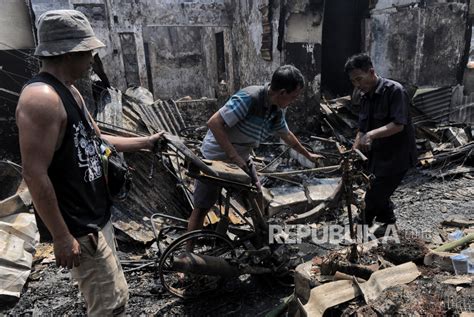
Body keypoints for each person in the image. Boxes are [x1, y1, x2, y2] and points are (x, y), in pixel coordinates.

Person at [16, 10, 163, 316]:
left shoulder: (70, 93)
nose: (92, 59)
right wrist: (61, 236)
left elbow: (98, 142)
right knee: (108, 306)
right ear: (70, 53)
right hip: (79, 226)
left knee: (116, 297)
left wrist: (145, 143)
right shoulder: (41, 99)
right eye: (88, 52)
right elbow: (34, 174)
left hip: (97, 216)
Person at [187, 65, 325, 233]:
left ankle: (259, 236)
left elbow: (286, 134)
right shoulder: (249, 98)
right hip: (214, 159)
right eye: (293, 96)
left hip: (241, 159)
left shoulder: (276, 109)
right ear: (282, 93)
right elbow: (214, 123)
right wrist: (234, 156)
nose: (294, 100)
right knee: (202, 207)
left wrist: (308, 154)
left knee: (257, 194)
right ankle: (188, 252)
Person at [344, 53, 417, 226]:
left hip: (397, 156)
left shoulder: (395, 91)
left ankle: (359, 229)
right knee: (377, 189)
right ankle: (388, 220)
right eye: (353, 81)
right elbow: (362, 130)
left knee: (372, 196)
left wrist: (371, 135)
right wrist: (353, 153)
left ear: (371, 71)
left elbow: (399, 125)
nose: (357, 85)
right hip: (377, 155)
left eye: (359, 79)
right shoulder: (365, 97)